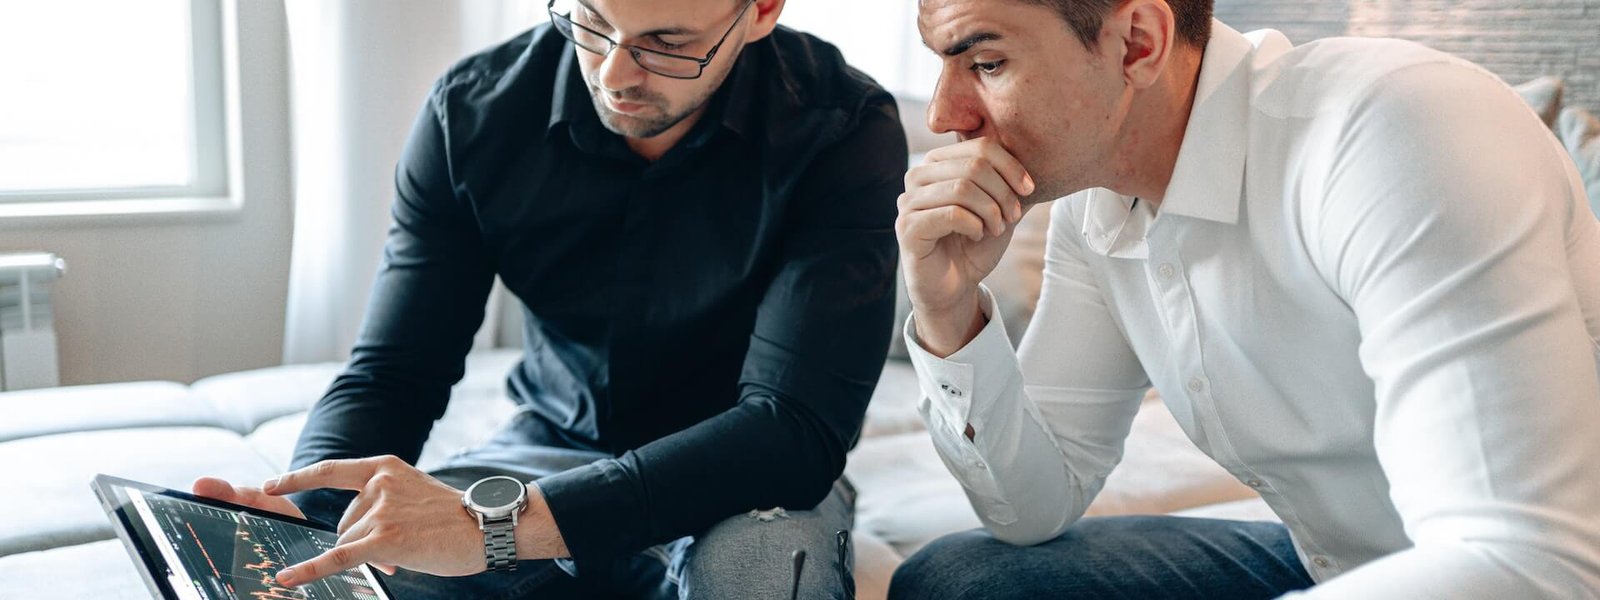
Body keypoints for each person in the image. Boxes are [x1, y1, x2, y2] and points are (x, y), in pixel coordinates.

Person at [193, 0, 907, 597]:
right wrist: (311, 512)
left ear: (761, 11)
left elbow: (792, 428)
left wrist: (501, 528)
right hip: (542, 453)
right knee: (354, 580)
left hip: (744, 482)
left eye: (667, 43)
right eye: (592, 22)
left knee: (763, 583)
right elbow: (396, 371)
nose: (614, 74)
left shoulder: (842, 128)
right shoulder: (472, 113)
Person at [889, 0, 1600, 597]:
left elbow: (1526, 562)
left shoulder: (1397, 129)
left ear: (1138, 42)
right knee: (959, 580)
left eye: (987, 64)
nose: (947, 117)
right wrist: (949, 310)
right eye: (943, 66)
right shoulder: (1096, 209)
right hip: (1343, 564)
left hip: (1528, 567)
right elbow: (1034, 508)